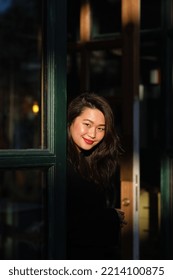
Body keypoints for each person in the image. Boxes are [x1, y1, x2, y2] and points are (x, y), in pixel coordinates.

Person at [67, 92, 126, 260]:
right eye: (87, 124)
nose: (93, 135)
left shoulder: (90, 161)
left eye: (100, 128)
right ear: (71, 121)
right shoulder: (61, 164)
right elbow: (71, 224)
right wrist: (111, 217)